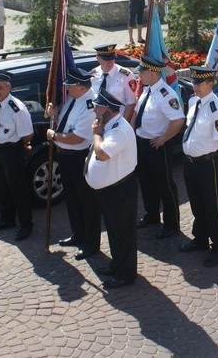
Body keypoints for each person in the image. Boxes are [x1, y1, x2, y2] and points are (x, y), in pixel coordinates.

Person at [46, 68, 100, 259]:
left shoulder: (89, 106)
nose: (66, 87)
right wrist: (53, 112)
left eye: (70, 85)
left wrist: (53, 136)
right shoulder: (74, 99)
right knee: (72, 199)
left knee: (87, 201)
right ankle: (78, 234)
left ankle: (91, 243)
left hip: (79, 158)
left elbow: (77, 138)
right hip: (66, 156)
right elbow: (64, 119)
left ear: (81, 87)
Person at [86, 89, 138, 289]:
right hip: (109, 190)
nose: (95, 110)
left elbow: (103, 154)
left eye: (98, 106)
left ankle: (125, 274)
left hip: (120, 190)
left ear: (108, 109)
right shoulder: (108, 124)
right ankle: (117, 264)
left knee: (123, 233)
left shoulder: (119, 129)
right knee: (114, 232)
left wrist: (96, 135)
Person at [179, 66, 218, 266]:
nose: (195, 86)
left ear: (210, 84)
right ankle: (200, 239)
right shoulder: (194, 101)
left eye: (199, 83)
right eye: (193, 82)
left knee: (212, 206)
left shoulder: (216, 109)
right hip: (191, 164)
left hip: (208, 164)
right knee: (197, 204)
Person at [133, 55, 185, 238]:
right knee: (146, 182)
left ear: (153, 73)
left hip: (157, 146)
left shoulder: (166, 94)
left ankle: (172, 224)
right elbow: (138, 114)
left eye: (142, 72)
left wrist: (163, 139)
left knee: (165, 185)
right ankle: (152, 215)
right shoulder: (147, 90)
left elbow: (178, 120)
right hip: (142, 143)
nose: (139, 75)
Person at [0, 70, 35, 241]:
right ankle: (7, 219)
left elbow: (27, 134)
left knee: (18, 189)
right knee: (3, 187)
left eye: (0, 88)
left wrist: (19, 147)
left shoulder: (17, 109)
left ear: (9, 88)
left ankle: (26, 224)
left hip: (13, 150)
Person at [89, 43, 137, 122]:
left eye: (112, 58)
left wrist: (123, 125)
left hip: (116, 123)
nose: (110, 62)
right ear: (98, 58)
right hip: (95, 122)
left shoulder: (126, 75)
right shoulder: (92, 75)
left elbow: (131, 103)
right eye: (106, 59)